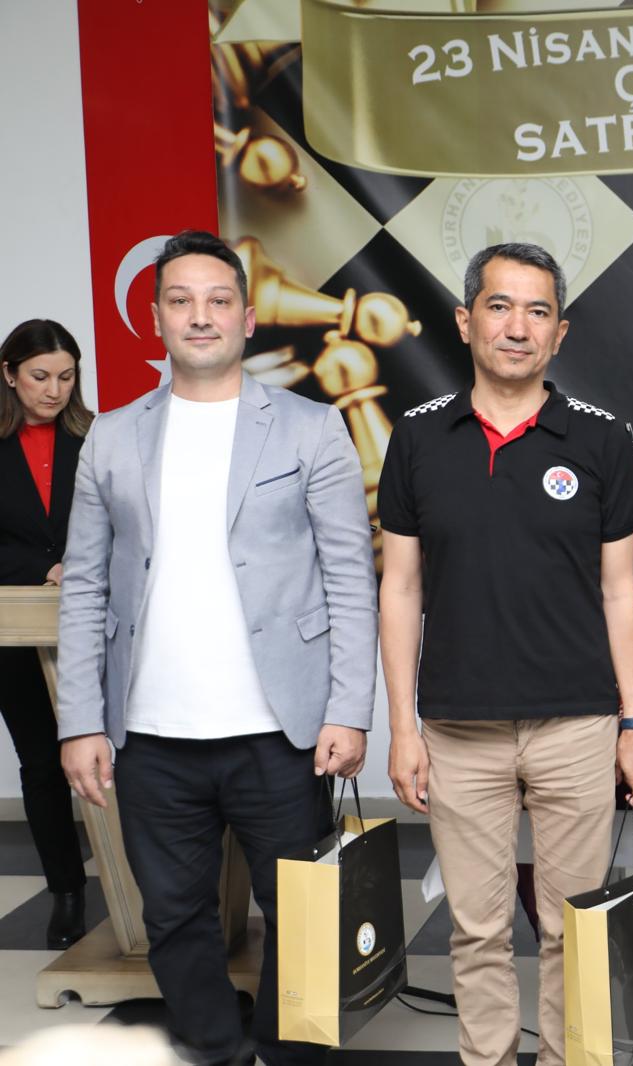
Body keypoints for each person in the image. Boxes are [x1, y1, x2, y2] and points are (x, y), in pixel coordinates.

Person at [55, 230, 376, 1066]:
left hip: (281, 734)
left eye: (218, 299)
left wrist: (349, 709)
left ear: (248, 315)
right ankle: (218, 1050)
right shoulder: (112, 437)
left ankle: (288, 1055)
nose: (201, 316)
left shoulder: (312, 429)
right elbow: (84, 587)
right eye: (181, 300)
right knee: (174, 917)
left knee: (302, 919)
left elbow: (351, 579)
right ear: (157, 318)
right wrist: (79, 721)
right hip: (151, 737)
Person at [379, 242, 633, 1066]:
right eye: (499, 306)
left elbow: (620, 593)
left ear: (560, 333)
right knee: (477, 930)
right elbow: (400, 589)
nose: (517, 327)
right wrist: (402, 728)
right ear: (465, 322)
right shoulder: (418, 437)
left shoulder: (602, 439)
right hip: (459, 730)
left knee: (575, 928)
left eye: (538, 311)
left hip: (577, 726)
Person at [0, 319, 92, 949]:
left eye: (65, 376)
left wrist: (78, 564)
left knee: (125, 758)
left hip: (95, 625)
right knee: (41, 762)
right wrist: (43, 568)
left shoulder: (98, 438)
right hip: (14, 626)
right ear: (9, 375)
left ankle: (147, 888)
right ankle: (66, 891)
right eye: (39, 376)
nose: (53, 390)